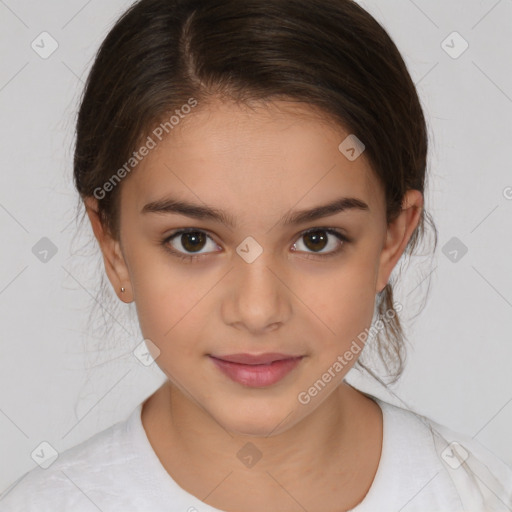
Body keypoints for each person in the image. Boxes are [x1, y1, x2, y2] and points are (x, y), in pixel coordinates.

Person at [1, 0, 511, 510]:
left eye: (317, 239)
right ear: (112, 247)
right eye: (193, 240)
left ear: (391, 240)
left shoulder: (480, 495)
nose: (258, 310)